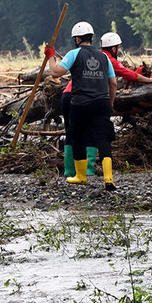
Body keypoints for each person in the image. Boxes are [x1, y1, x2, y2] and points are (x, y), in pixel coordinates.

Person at [47, 22, 118, 190]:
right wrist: (110, 103)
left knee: (77, 137)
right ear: (92, 38)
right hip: (101, 102)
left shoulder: (74, 54)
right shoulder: (104, 57)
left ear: (77, 39)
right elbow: (113, 83)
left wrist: (51, 56)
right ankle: (109, 179)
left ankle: (80, 176)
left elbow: (55, 72)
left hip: (81, 102)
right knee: (103, 139)